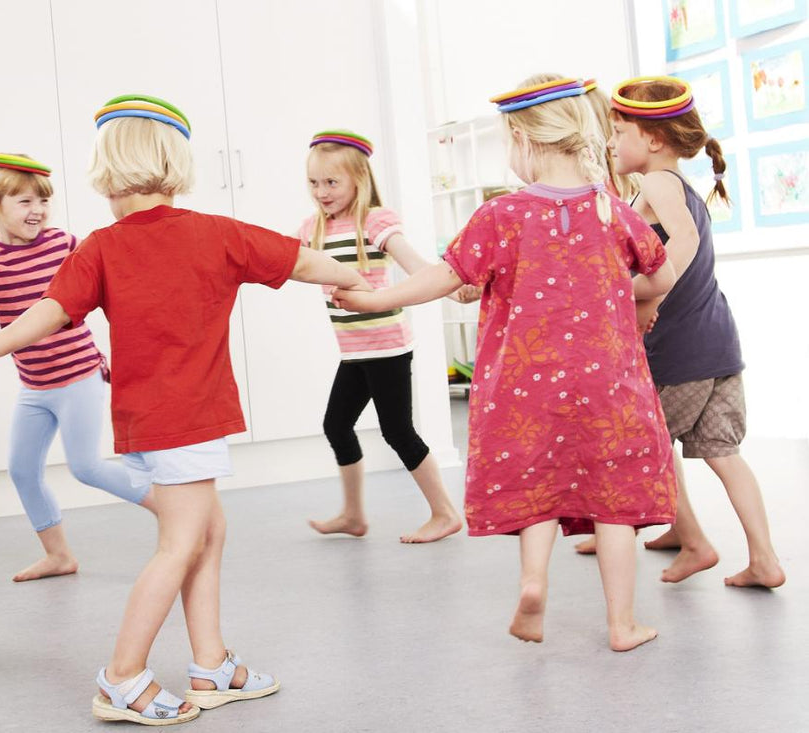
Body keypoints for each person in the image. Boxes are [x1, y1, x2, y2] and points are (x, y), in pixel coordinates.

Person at [0, 94, 370, 724]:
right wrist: (360, 281)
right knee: (180, 543)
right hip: (188, 417)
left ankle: (211, 663)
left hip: (148, 420)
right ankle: (122, 676)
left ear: (107, 168)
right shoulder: (217, 233)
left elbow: (49, 312)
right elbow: (307, 260)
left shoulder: (99, 247)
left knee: (209, 529)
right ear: (176, 162)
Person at [332, 75, 678, 651]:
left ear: (522, 139)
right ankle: (622, 624)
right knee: (614, 500)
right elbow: (661, 277)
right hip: (609, 385)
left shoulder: (501, 215)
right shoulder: (610, 210)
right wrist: (625, 296)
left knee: (539, 486)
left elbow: (442, 278)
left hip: (525, 388)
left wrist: (372, 298)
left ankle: (533, 585)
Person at [606, 75, 785, 587]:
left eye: (620, 132)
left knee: (651, 443)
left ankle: (695, 541)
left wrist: (648, 291)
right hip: (716, 341)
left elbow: (679, 243)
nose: (612, 143)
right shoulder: (680, 186)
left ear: (654, 140)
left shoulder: (658, 184)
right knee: (723, 453)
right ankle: (763, 559)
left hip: (678, 348)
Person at [0, 153, 149, 583]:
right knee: (22, 470)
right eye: (24, 202)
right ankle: (59, 555)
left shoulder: (63, 243)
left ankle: (173, 511)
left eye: (43, 201)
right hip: (34, 385)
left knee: (86, 467)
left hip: (78, 375)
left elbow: (113, 286)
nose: (37, 211)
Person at [300, 130, 462, 543]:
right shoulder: (313, 228)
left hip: (386, 347)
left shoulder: (373, 221)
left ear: (359, 179)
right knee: (337, 425)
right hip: (354, 351)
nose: (322, 191)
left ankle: (444, 513)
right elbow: (280, 260)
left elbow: (415, 265)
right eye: (315, 182)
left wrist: (452, 283)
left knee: (397, 431)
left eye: (332, 182)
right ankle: (353, 515)